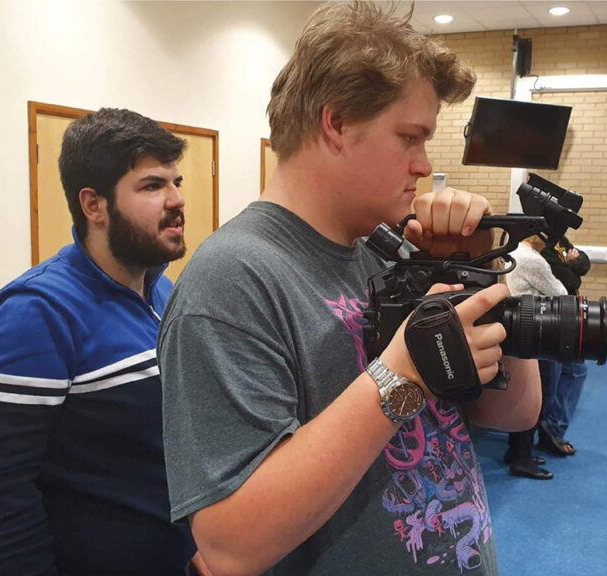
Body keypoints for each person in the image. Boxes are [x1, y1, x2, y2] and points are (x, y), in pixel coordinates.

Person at [157, 3, 541, 575]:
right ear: (335, 123)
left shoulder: (389, 252)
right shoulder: (232, 278)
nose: (424, 164)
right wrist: (403, 375)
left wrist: (479, 270)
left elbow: (516, 411)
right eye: (409, 137)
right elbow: (230, 544)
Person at [0, 108, 204, 576]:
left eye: (176, 183)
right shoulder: (34, 314)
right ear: (94, 205)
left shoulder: (162, 290)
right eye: (153, 186)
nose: (177, 201)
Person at [503, 234, 568, 480]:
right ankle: (522, 458)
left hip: (519, 331)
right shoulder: (533, 259)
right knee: (538, 396)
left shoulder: (511, 252)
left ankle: (517, 451)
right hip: (538, 333)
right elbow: (561, 293)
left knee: (524, 393)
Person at [536, 236, 591, 457]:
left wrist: (574, 264)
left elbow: (584, 263)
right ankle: (550, 430)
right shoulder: (541, 244)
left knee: (575, 371)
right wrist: (570, 266)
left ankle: (552, 428)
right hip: (551, 319)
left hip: (566, 317)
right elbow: (569, 282)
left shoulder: (559, 238)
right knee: (565, 373)